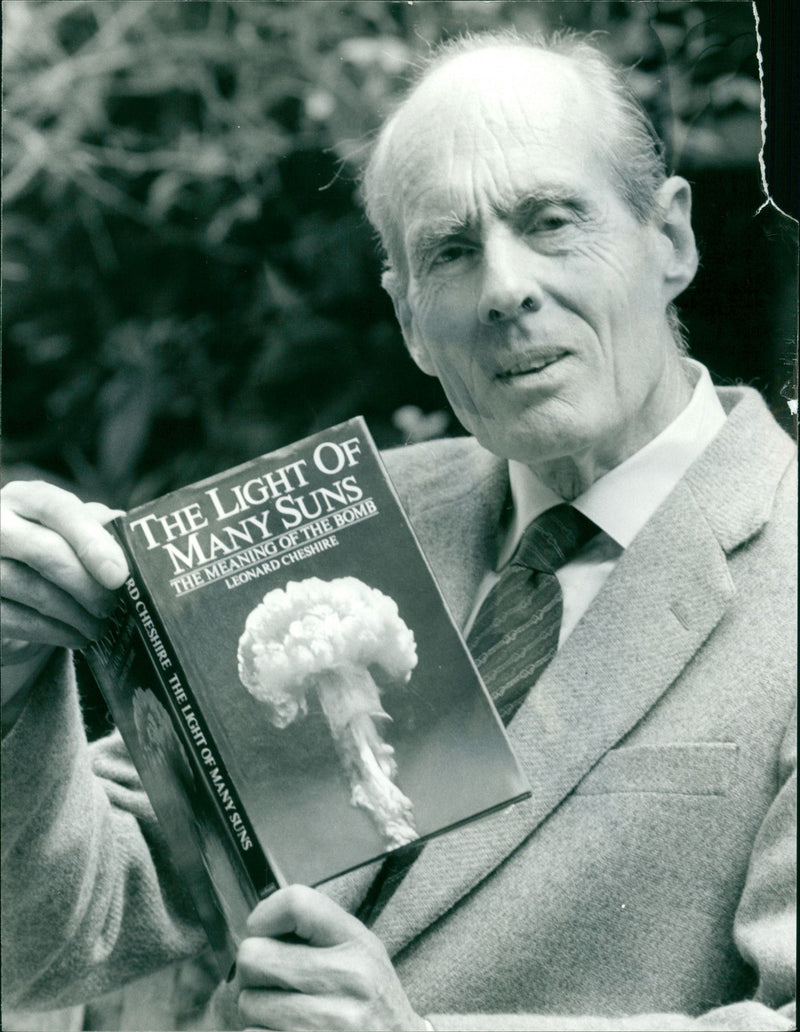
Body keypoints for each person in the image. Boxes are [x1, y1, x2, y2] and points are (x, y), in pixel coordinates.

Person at [2, 30, 796, 1032]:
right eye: (450, 253)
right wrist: (7, 679)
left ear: (670, 239)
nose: (504, 289)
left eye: (549, 221)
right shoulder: (331, 527)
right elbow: (47, 950)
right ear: (410, 317)